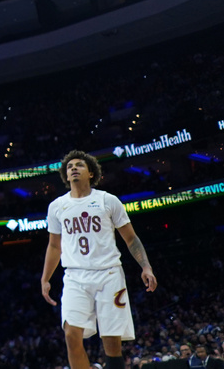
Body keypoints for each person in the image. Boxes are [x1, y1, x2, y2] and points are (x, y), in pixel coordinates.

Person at [41, 150, 157, 369]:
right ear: (66, 176)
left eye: (79, 165)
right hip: (75, 276)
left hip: (109, 274)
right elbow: (54, 246)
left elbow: (131, 238)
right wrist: (45, 278)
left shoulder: (107, 200)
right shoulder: (56, 206)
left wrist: (146, 267)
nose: (73, 168)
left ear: (91, 173)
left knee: (112, 343)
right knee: (71, 334)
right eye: (69, 166)